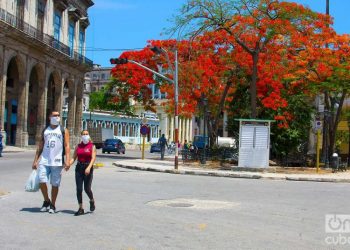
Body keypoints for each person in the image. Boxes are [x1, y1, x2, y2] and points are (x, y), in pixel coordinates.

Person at [32, 111, 70, 214]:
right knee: (41, 179)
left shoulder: (63, 130)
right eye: (54, 115)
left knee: (55, 184)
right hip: (45, 160)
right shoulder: (45, 130)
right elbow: (40, 146)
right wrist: (35, 160)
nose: (57, 117)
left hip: (57, 161)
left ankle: (53, 204)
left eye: (58, 115)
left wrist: (67, 160)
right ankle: (46, 200)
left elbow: (67, 146)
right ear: (50, 117)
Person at [70, 130, 96, 216]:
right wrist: (68, 164)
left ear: (89, 135)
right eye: (83, 134)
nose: (85, 135)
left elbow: (93, 158)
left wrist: (89, 167)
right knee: (79, 189)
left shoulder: (92, 146)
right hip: (79, 168)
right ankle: (80, 208)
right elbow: (74, 157)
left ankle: (91, 200)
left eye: (86, 134)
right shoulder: (78, 146)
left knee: (87, 189)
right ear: (81, 136)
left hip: (88, 167)